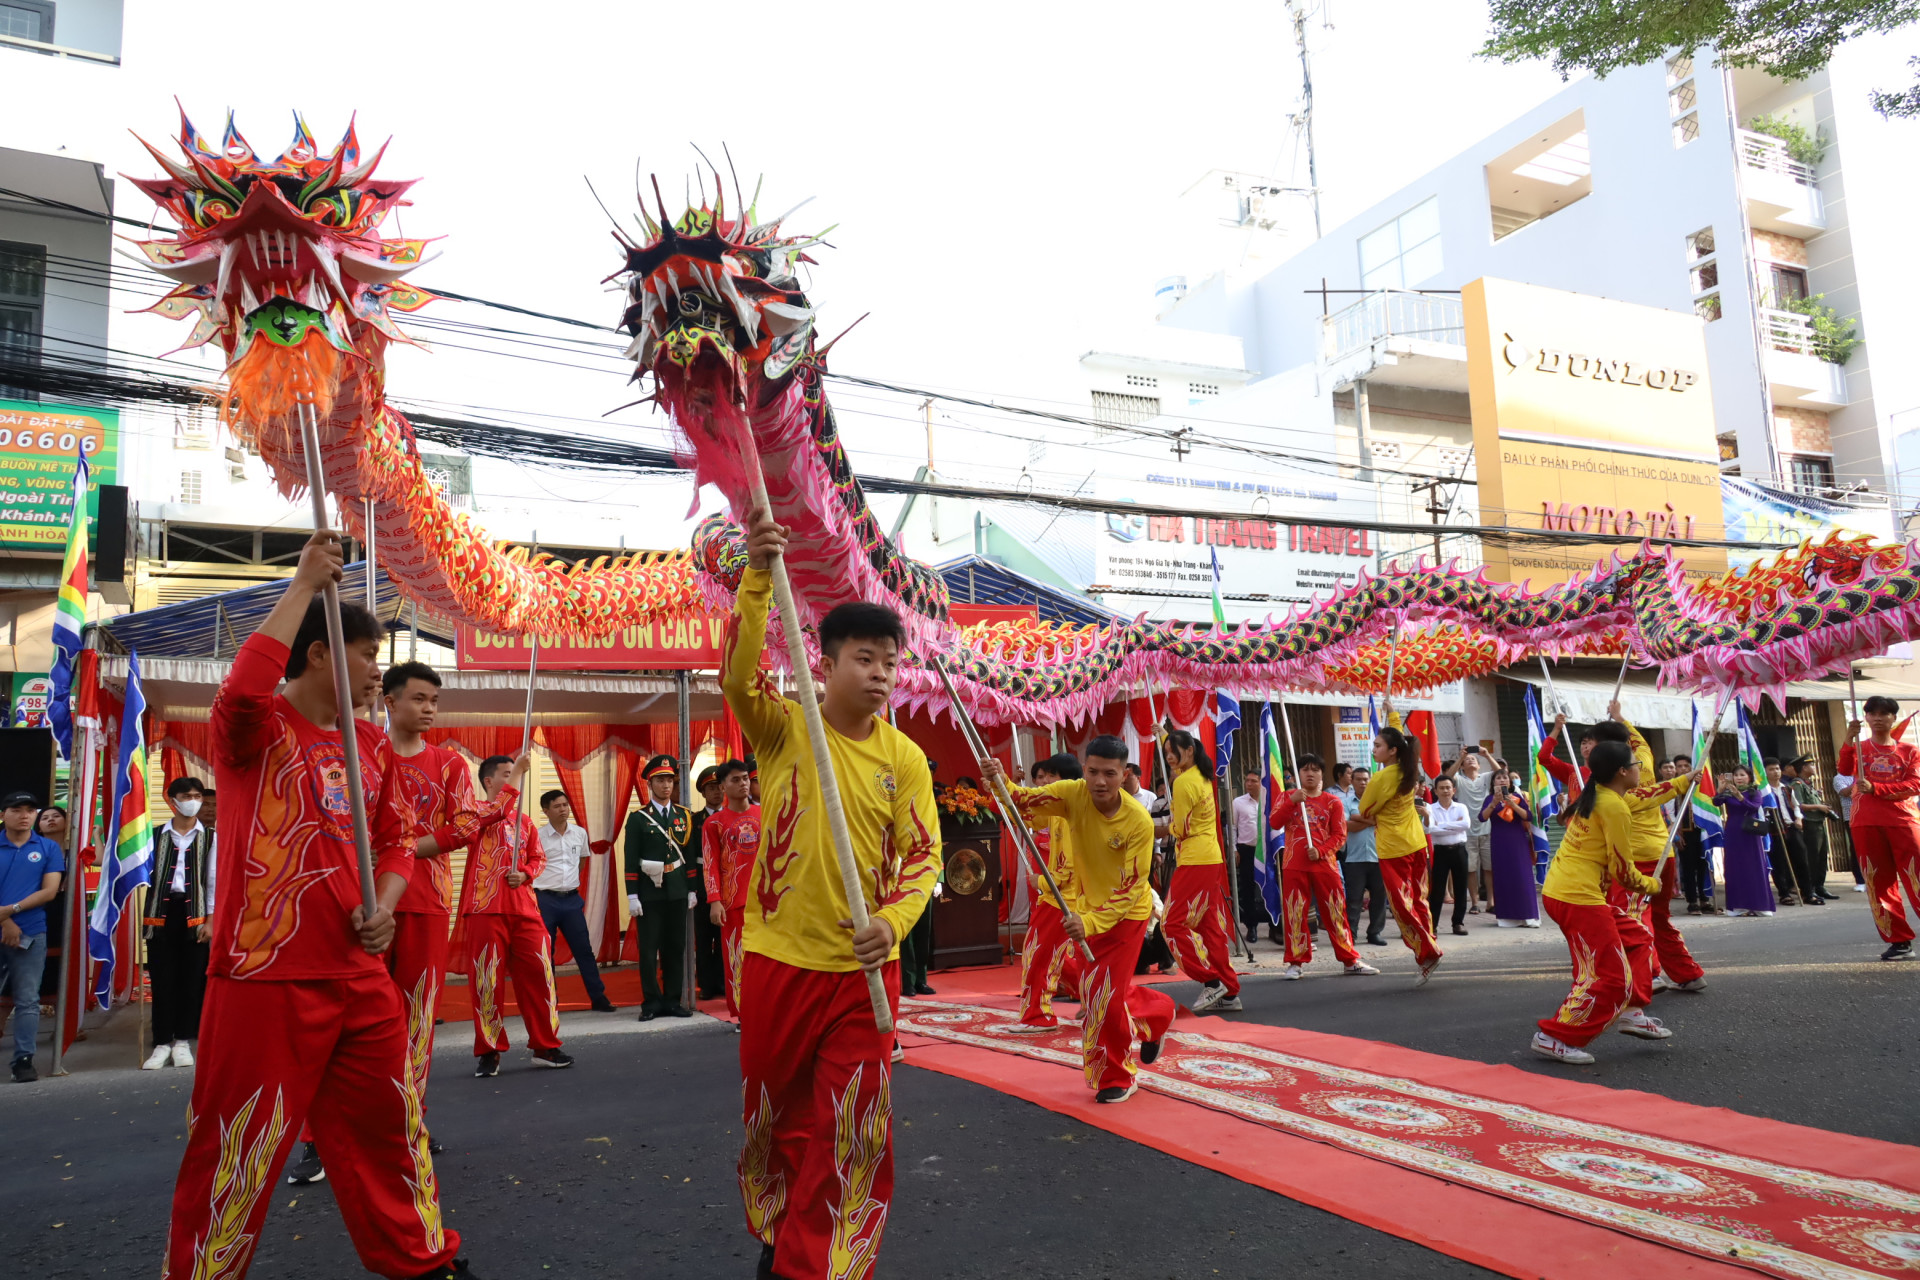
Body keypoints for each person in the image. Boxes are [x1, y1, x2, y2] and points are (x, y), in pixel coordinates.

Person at [165, 531, 473, 1280]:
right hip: (265, 976)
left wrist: (389, 903)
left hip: (359, 976)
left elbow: (399, 842)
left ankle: (419, 1261)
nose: (378, 673)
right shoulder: (257, 731)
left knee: (389, 1130)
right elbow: (239, 692)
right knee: (239, 1144)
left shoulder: (369, 749)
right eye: (367, 657)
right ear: (318, 654)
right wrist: (302, 583)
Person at [726, 504, 941, 1280]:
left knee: (854, 1129)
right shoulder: (784, 728)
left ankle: (818, 1267)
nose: (880, 674)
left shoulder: (906, 760)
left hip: (861, 976)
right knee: (779, 1121)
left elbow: (925, 861)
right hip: (779, 959)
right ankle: (781, 1228)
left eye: (890, 661)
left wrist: (892, 920)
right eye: (864, 658)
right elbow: (737, 675)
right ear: (826, 663)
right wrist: (757, 575)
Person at [985, 737, 1175, 1103]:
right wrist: (999, 781)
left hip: (1125, 916)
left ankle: (1118, 1076)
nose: (1100, 782)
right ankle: (1156, 1014)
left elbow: (1130, 889)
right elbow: (1023, 802)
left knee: (1101, 994)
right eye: (1092, 772)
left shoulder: (1138, 822)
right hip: (1086, 908)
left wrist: (1088, 922)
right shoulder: (1073, 794)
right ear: (1083, 768)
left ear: (1125, 775)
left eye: (1110, 774)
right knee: (1099, 989)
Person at [380, 661, 531, 1110]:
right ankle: (321, 1137)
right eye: (419, 699)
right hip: (363, 900)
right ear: (389, 701)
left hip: (426, 900)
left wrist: (401, 849)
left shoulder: (447, 764)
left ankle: (409, 1117)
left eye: (434, 701)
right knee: (348, 1014)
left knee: (417, 1013)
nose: (429, 709)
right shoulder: (364, 753)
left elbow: (464, 828)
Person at [1531, 741, 1675, 1064]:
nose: (1641, 768)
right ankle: (1554, 1036)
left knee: (1639, 938)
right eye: (1636, 763)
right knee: (1612, 978)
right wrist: (1652, 884)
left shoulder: (1601, 795)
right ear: (1622, 771)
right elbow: (1623, 871)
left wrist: (1683, 781)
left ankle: (1633, 1011)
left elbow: (1653, 795)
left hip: (1575, 892)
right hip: (1576, 897)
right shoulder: (1613, 806)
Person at [460, 755, 572, 1077]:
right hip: (486, 908)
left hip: (524, 908)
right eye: (509, 775)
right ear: (489, 782)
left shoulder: (525, 823)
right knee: (486, 982)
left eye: (518, 775)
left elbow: (538, 857)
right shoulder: (475, 813)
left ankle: (545, 1045)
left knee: (540, 974)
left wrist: (524, 874)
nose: (517, 780)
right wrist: (519, 775)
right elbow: (494, 812)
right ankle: (490, 1051)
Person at [1612, 712, 1705, 998]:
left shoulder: (1619, 790)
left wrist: (1683, 780)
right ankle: (1687, 974)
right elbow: (1642, 744)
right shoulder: (1645, 763)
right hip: (1664, 855)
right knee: (1659, 916)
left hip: (1639, 860)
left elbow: (1651, 795)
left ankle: (1649, 973)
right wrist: (1621, 718)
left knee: (1633, 917)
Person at [1272, 754, 1375, 978]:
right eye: (1306, 770)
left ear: (1322, 774)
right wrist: (1292, 803)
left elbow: (1340, 835)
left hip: (1325, 864)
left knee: (1335, 911)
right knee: (1295, 912)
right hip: (1294, 864)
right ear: (1298, 774)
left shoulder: (1332, 802)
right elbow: (1274, 822)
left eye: (1315, 770)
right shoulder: (1288, 797)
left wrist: (1320, 850)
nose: (1310, 774)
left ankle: (1349, 960)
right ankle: (1295, 962)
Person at [1161, 729, 1240, 1012]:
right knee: (1209, 927)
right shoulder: (1203, 775)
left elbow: (1179, 829)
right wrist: (1164, 733)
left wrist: (1154, 828)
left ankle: (1211, 981)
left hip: (1195, 859)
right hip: (1210, 858)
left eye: (1173, 751)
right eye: (1166, 750)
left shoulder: (1183, 782)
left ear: (1189, 751)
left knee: (1170, 924)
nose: (1168, 756)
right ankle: (1229, 991)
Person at [1360, 717, 1443, 982]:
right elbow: (1398, 734)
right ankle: (1428, 951)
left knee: (1401, 905)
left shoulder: (1381, 777)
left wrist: (1375, 813)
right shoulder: (1410, 768)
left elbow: (1364, 810)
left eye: (1378, 745)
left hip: (1393, 848)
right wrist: (1391, 712)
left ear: (1392, 750)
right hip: (1417, 843)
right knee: (1419, 900)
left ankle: (1428, 951)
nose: (1374, 750)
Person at [1839, 697, 1920, 960]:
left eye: (1884, 713)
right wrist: (1848, 741)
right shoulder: (1859, 749)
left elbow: (1914, 785)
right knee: (1878, 883)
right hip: (1865, 822)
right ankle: (1900, 941)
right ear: (1866, 718)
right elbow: (1843, 770)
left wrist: (1878, 788)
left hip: (1904, 822)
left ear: (1893, 718)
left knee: (1916, 878)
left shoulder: (1910, 752)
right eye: (1872, 713)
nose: (1877, 717)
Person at [143, 776, 216, 1070]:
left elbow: (213, 881)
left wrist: (211, 920)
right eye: (187, 796)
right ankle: (161, 1042)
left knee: (190, 980)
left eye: (197, 795)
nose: (194, 801)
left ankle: (184, 1042)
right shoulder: (152, 835)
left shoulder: (211, 837)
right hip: (160, 914)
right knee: (162, 980)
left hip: (196, 914)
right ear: (172, 800)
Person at [1014, 752, 1085, 1031]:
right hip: (1060, 897)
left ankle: (1038, 1015)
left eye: (1050, 777)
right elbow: (1030, 818)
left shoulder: (1069, 814)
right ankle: (1093, 997)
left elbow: (1066, 870)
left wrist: (1041, 883)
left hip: (1061, 899)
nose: (1045, 783)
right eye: (1042, 777)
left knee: (1038, 955)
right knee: (1056, 956)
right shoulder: (1059, 809)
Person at [623, 754, 696, 1021]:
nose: (666, 785)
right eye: (660, 780)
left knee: (674, 948)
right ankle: (651, 1002)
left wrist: (691, 889)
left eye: (669, 780)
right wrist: (632, 895)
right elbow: (630, 860)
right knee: (648, 950)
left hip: (676, 890)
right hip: (649, 893)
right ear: (650, 784)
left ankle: (673, 1000)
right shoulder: (639, 818)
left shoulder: (683, 816)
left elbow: (689, 856)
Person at [0, 790, 64, 1083]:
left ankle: (23, 1060)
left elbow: (49, 891)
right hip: (10, 927)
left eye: (30, 810)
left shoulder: (48, 848)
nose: (25, 815)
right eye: (17, 809)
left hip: (32, 931)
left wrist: (10, 912)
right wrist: (6, 922)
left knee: (27, 999)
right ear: (3, 815)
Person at [532, 789, 614, 1013]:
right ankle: (550, 1000)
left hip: (570, 899)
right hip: (545, 899)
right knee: (545, 952)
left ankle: (598, 997)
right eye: (557, 806)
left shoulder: (579, 833)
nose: (563, 810)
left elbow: (583, 860)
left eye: (565, 805)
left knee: (584, 949)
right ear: (546, 810)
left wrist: (569, 883)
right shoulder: (537, 836)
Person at [699, 759, 761, 1021]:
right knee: (736, 960)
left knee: (767, 961)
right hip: (733, 901)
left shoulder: (765, 815)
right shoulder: (714, 823)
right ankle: (742, 1014)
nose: (743, 783)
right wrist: (714, 900)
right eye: (735, 780)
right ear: (723, 786)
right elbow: (710, 863)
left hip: (766, 902)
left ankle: (767, 1011)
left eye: (745, 778)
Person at [1715, 766, 1778, 918]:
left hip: (1750, 832)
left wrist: (1740, 797)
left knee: (1753, 866)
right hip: (1733, 831)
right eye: (1736, 775)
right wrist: (1720, 789)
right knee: (1734, 866)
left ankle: (1759, 905)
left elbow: (1754, 807)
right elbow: (1716, 802)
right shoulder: (1728, 792)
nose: (1738, 778)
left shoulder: (1753, 792)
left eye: (1742, 775)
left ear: (1749, 777)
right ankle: (1738, 906)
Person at [1480, 768, 1540, 927]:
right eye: (1498, 778)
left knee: (1522, 875)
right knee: (1503, 876)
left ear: (1510, 782)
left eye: (1504, 778)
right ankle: (1507, 917)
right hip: (1499, 842)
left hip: (1517, 841)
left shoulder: (1517, 797)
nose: (1502, 780)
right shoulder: (1489, 799)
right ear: (1493, 783)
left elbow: (1528, 816)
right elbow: (1482, 817)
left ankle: (1528, 916)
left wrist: (1512, 804)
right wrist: (1493, 804)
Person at [689, 763, 727, 1001]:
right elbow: (691, 858)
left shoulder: (733, 816)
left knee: (725, 938)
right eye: (711, 788)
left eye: (719, 787)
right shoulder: (694, 821)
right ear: (703, 793)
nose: (716, 792)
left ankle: (725, 982)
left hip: (729, 884)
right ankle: (706, 985)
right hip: (704, 886)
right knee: (704, 939)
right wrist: (693, 889)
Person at [1340, 766, 1387, 946]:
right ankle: (1351, 934)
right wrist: (1370, 820)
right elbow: (1346, 826)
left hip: (1378, 856)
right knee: (1353, 899)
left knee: (1378, 898)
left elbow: (1382, 821)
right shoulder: (1345, 802)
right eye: (1358, 779)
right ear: (1351, 782)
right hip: (1354, 858)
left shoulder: (1378, 802)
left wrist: (1357, 817)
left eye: (1365, 779)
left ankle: (1375, 933)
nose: (1362, 782)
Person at [1445, 749, 1493, 912]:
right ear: (1463, 766)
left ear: (1479, 765)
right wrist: (1461, 757)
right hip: (1468, 833)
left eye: (1474, 759)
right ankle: (1474, 902)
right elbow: (1448, 778)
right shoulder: (1459, 779)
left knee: (1489, 868)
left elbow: (1500, 772)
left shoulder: (1485, 777)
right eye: (1468, 760)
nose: (1471, 760)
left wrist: (1486, 755)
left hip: (1487, 830)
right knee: (1470, 869)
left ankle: (1490, 902)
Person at [1671, 753, 1719, 914]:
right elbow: (1671, 813)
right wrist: (1676, 835)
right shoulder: (1673, 787)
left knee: (1703, 865)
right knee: (1688, 867)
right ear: (1675, 769)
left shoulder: (1701, 787)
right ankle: (1692, 901)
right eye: (1680, 766)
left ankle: (1705, 898)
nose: (1683, 769)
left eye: (1686, 766)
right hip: (1684, 833)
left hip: (1702, 831)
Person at [1425, 776, 1472, 937]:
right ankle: (1433, 924)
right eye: (1442, 788)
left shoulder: (1461, 807)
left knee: (1460, 888)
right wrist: (1454, 826)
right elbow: (1430, 829)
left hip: (1459, 850)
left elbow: (1466, 825)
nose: (1445, 791)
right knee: (1437, 890)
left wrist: (1442, 826)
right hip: (1440, 852)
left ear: (1454, 790)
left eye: (1448, 787)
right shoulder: (1430, 808)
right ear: (1436, 791)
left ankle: (1458, 922)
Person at [1789, 756, 1838, 903]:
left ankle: (1820, 886)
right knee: (1812, 858)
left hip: (1819, 823)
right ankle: (1810, 889)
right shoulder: (1797, 784)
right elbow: (1799, 805)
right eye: (1811, 765)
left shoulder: (1808, 784)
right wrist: (1818, 806)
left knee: (1822, 856)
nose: (1814, 767)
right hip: (1809, 825)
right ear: (1804, 768)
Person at [1229, 770, 1266, 944]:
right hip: (1246, 850)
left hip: (1266, 850)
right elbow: (1233, 827)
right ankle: (1251, 927)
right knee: (1248, 889)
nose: (1249, 784)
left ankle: (1276, 927)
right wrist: (1234, 849)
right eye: (1247, 780)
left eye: (1253, 781)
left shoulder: (1269, 800)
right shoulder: (1238, 802)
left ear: (1261, 782)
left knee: (1269, 886)